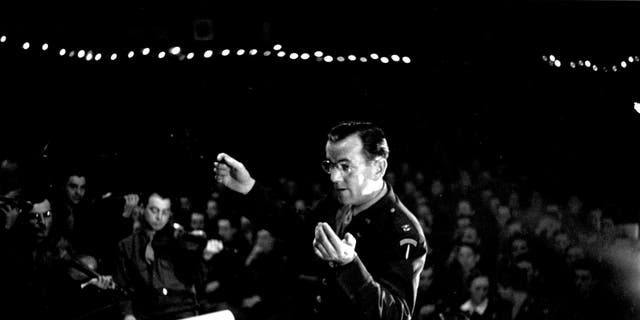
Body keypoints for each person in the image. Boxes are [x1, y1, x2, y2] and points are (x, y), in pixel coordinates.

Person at [214, 121, 428, 320]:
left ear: (378, 168)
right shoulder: (340, 198)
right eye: (331, 165)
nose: (334, 177)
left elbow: (398, 314)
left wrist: (349, 266)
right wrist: (248, 188)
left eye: (345, 166)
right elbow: (298, 228)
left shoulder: (402, 231)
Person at [113, 190, 224, 320]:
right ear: (143, 208)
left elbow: (196, 279)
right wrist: (128, 314)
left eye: (165, 212)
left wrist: (206, 257)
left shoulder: (179, 240)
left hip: (181, 310)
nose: (159, 217)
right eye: (154, 210)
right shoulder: (126, 246)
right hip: (146, 313)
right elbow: (122, 288)